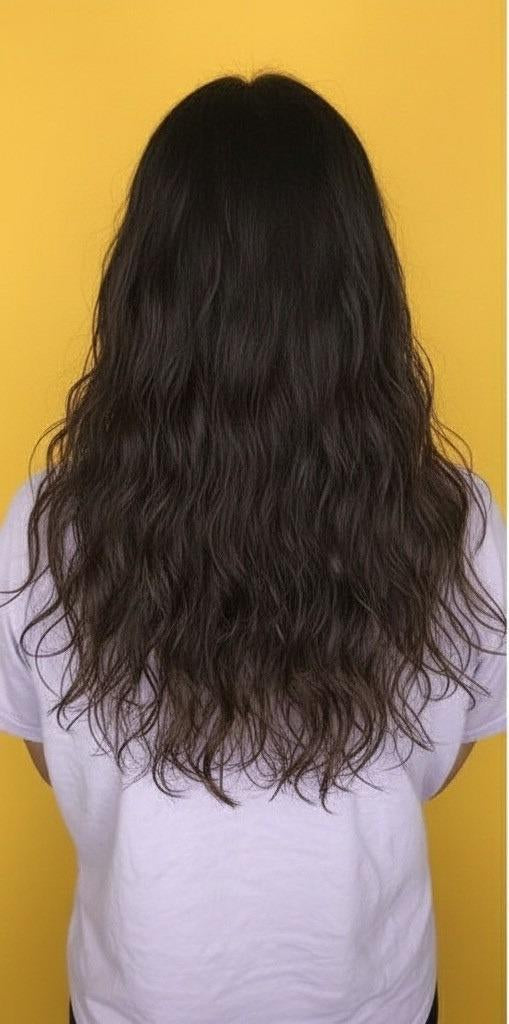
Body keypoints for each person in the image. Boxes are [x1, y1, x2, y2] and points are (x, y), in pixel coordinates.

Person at [0, 71, 505, 1024]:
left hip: (133, 998)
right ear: (361, 289)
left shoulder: (47, 527)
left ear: (145, 286)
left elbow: (51, 755)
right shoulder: (457, 522)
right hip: (372, 999)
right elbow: (440, 762)